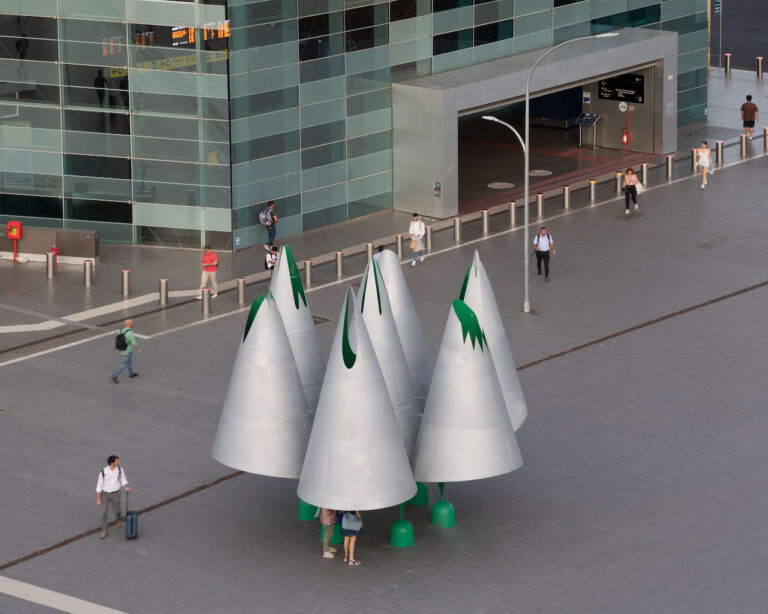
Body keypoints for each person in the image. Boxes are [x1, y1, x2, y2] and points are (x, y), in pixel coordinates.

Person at [96, 455, 130, 539]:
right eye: (117, 461)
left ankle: (119, 518)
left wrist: (126, 487)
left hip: (116, 493)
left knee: (117, 510)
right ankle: (104, 531)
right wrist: (98, 499)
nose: (118, 462)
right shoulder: (103, 472)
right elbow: (99, 485)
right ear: (112, 463)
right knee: (104, 513)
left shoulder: (120, 469)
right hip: (105, 494)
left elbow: (123, 479)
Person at [111, 319, 139, 383]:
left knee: (129, 361)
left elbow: (118, 339)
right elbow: (134, 342)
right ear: (129, 324)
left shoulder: (120, 330)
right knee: (125, 364)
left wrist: (118, 348)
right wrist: (138, 348)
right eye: (132, 322)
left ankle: (131, 373)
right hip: (127, 350)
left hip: (122, 349)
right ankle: (114, 376)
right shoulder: (129, 333)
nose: (133, 323)